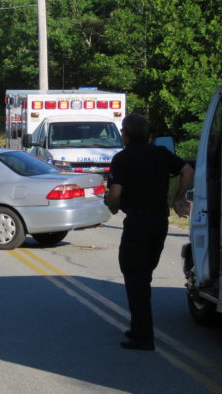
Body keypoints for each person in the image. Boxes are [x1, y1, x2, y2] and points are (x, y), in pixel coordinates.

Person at [105, 114, 193, 351]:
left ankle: (143, 337)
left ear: (126, 134)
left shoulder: (122, 158)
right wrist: (178, 197)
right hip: (159, 223)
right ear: (147, 134)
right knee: (144, 275)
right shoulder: (161, 154)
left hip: (137, 223)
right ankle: (139, 329)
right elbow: (187, 170)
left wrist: (112, 207)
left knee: (135, 278)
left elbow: (114, 194)